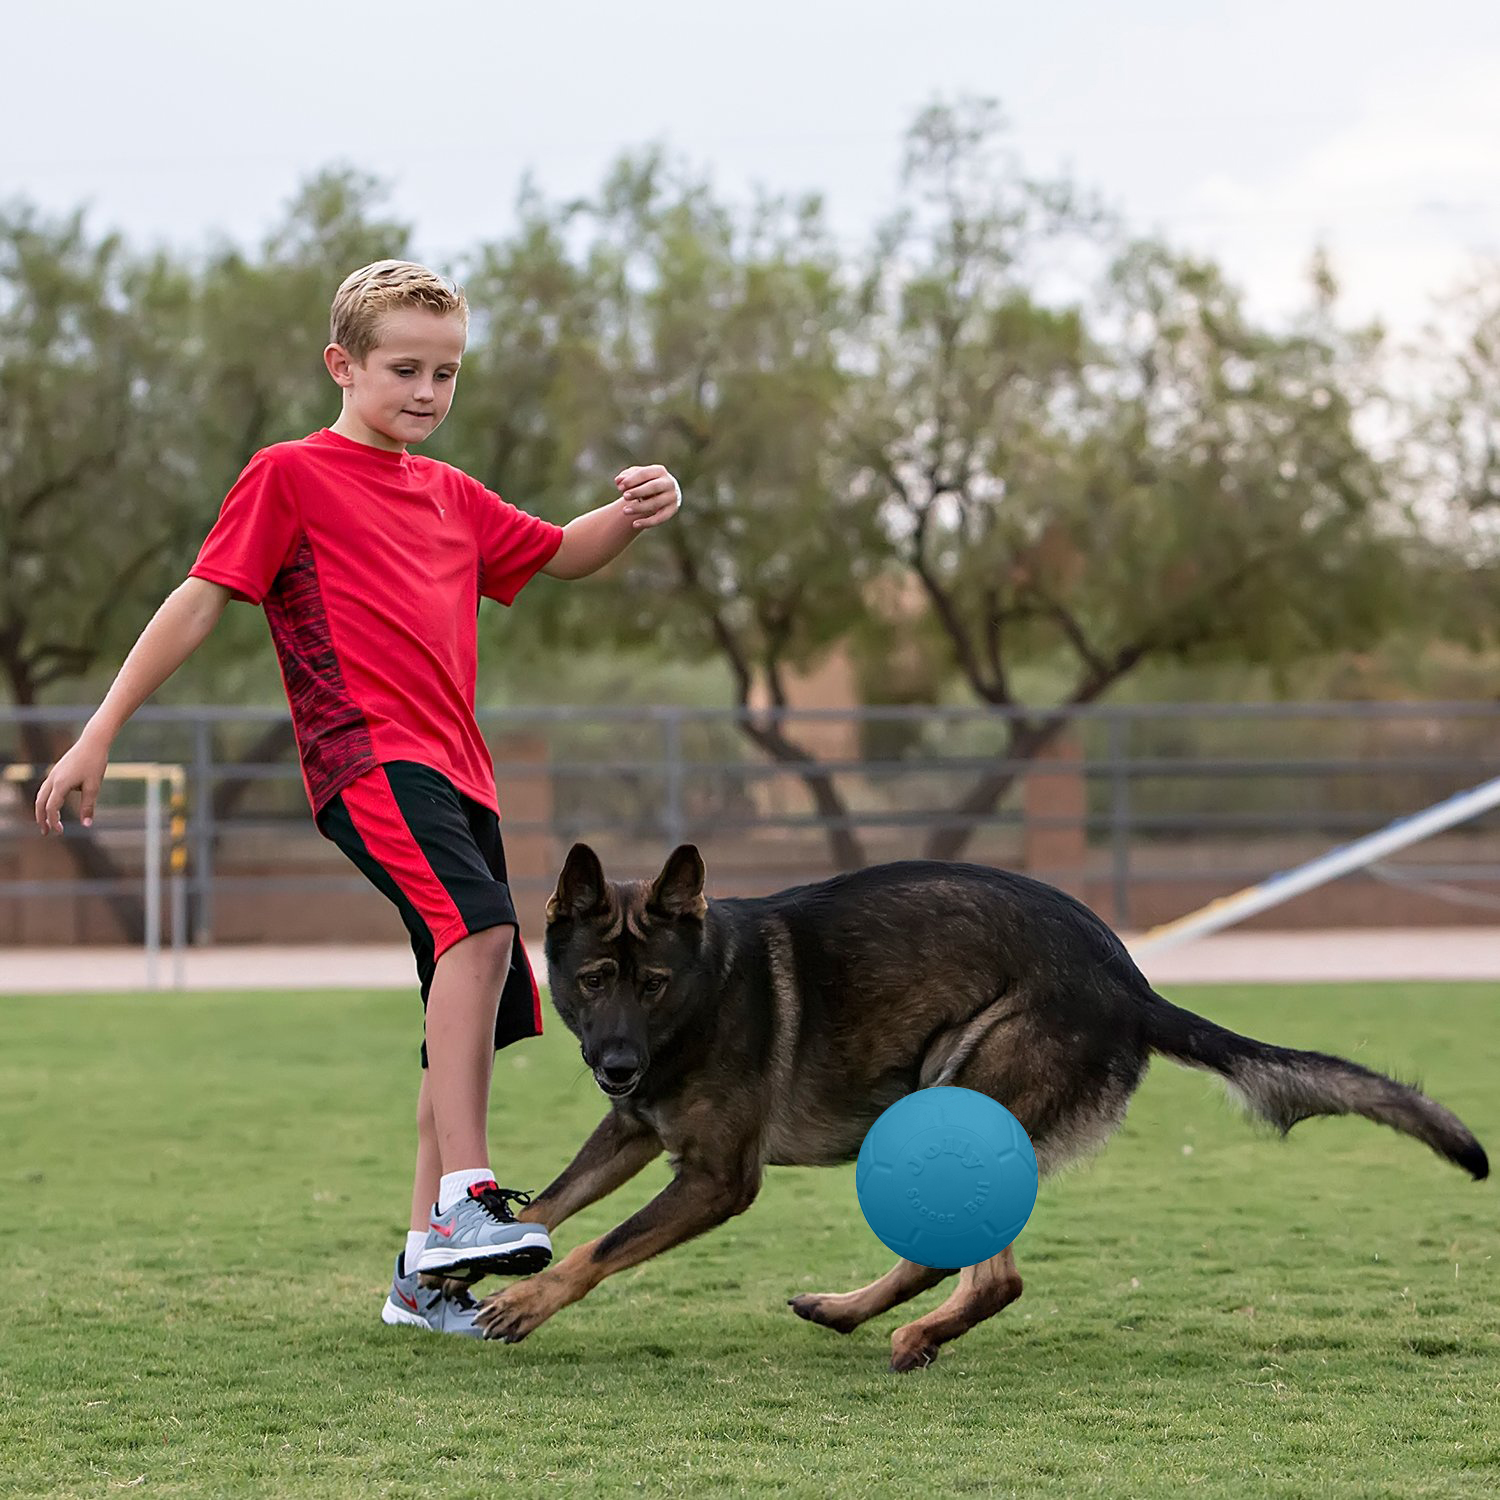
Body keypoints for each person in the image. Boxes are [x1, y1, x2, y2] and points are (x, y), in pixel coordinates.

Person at [33, 259, 682, 1338]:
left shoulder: (452, 493)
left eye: (447, 373)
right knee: (479, 936)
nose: (428, 391)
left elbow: (563, 555)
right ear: (343, 364)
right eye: (404, 369)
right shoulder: (290, 474)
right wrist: (100, 730)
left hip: (461, 773)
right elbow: (199, 603)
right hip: (369, 761)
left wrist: (633, 511)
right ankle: (467, 1201)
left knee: (464, 990)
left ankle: (423, 1282)